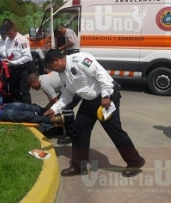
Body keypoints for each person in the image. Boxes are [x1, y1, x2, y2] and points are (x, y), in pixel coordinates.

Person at [43, 49, 145, 177]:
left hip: (105, 96)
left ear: (56, 61)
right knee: (79, 129)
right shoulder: (63, 74)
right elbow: (67, 95)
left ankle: (135, 162)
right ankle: (78, 166)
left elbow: (101, 74)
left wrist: (106, 95)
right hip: (89, 100)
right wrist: (54, 109)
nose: (53, 70)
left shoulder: (80, 60)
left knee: (114, 130)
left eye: (52, 67)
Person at [28, 72, 82, 144]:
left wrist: (47, 111)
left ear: (34, 82)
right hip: (68, 89)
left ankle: (70, 135)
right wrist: (47, 109)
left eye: (32, 86)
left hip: (75, 90)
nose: (33, 88)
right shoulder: (43, 78)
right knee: (56, 109)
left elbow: (55, 101)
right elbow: (54, 101)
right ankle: (59, 130)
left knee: (65, 109)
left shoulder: (44, 85)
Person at [4, 21, 32, 103]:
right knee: (13, 90)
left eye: (10, 33)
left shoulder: (22, 40)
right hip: (12, 68)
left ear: (15, 30)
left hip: (23, 68)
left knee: (24, 91)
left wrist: (14, 62)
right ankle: (17, 110)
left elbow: (27, 57)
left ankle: (28, 110)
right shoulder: (7, 40)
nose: (9, 35)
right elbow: (8, 53)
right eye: (7, 34)